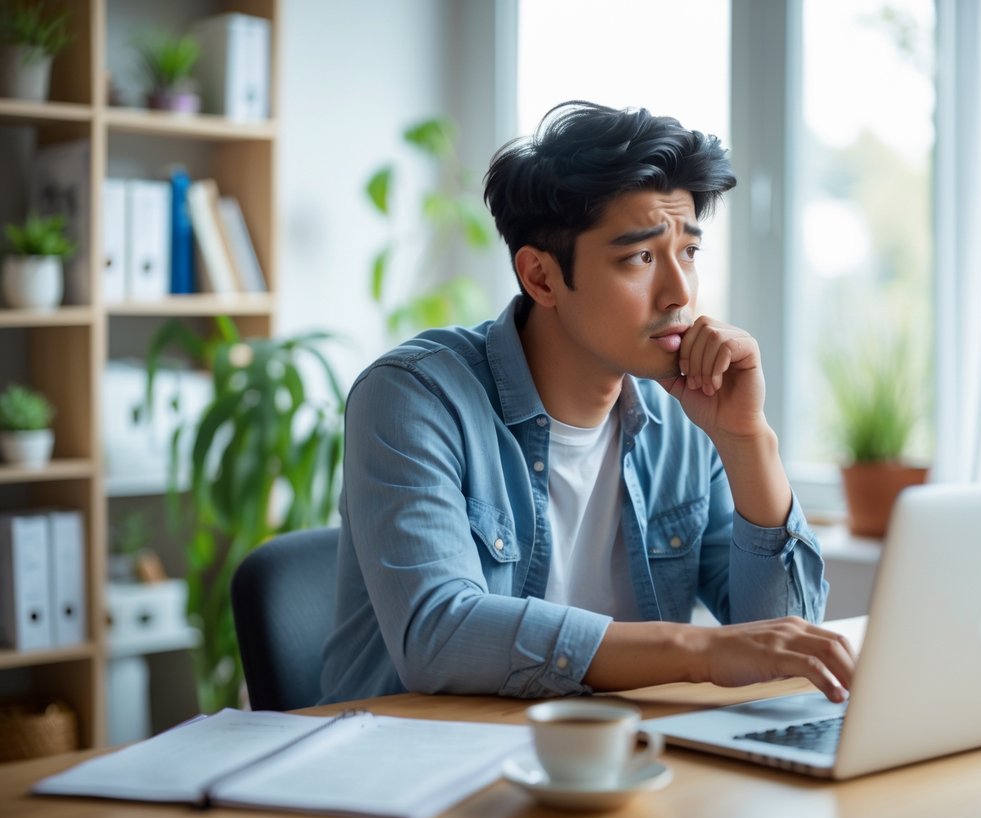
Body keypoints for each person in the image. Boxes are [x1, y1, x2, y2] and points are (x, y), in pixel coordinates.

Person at [319, 101, 855, 705]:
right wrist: (698, 651)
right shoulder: (413, 397)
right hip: (418, 768)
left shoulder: (680, 420)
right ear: (541, 278)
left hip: (617, 763)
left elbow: (789, 642)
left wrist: (747, 440)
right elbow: (439, 634)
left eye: (689, 253)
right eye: (640, 258)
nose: (680, 291)